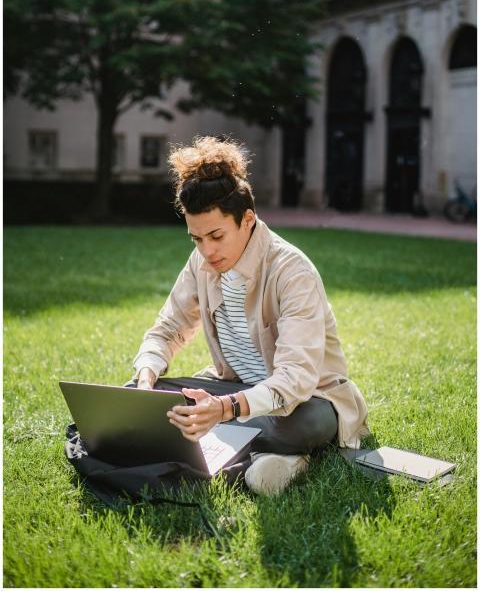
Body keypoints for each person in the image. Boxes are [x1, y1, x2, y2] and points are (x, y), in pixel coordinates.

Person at [132, 136, 369, 495]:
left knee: (304, 424)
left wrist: (223, 410)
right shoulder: (202, 262)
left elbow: (295, 381)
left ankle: (247, 449)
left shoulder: (292, 271)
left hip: (306, 401)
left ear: (247, 219)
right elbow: (168, 327)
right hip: (234, 390)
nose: (206, 250)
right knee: (150, 400)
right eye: (195, 239)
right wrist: (146, 378)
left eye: (215, 235)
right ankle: (267, 459)